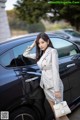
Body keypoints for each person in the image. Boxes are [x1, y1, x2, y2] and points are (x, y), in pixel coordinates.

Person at [23, 32, 69, 120]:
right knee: (55, 112)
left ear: (48, 41)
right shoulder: (40, 54)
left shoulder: (52, 51)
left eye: (42, 42)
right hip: (45, 86)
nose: (40, 45)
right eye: (39, 43)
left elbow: (55, 71)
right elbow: (25, 54)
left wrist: (57, 90)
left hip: (54, 87)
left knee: (61, 114)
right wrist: (33, 44)